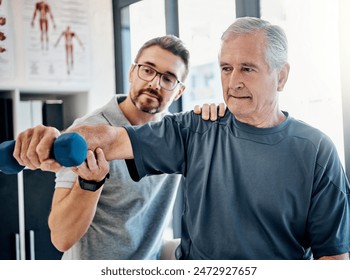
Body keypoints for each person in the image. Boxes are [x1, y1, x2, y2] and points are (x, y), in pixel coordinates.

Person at [13, 17, 350, 259]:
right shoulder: (192, 129)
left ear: (281, 76)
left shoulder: (315, 149)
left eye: (247, 68)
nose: (233, 82)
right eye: (226, 69)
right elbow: (108, 138)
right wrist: (58, 140)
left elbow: (334, 256)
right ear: (132, 70)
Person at [13, 35, 224, 260]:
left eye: (168, 78)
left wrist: (217, 118)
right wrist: (90, 184)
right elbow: (61, 238)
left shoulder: (177, 136)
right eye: (147, 70)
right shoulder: (89, 131)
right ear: (132, 73)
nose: (154, 83)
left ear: (179, 91)